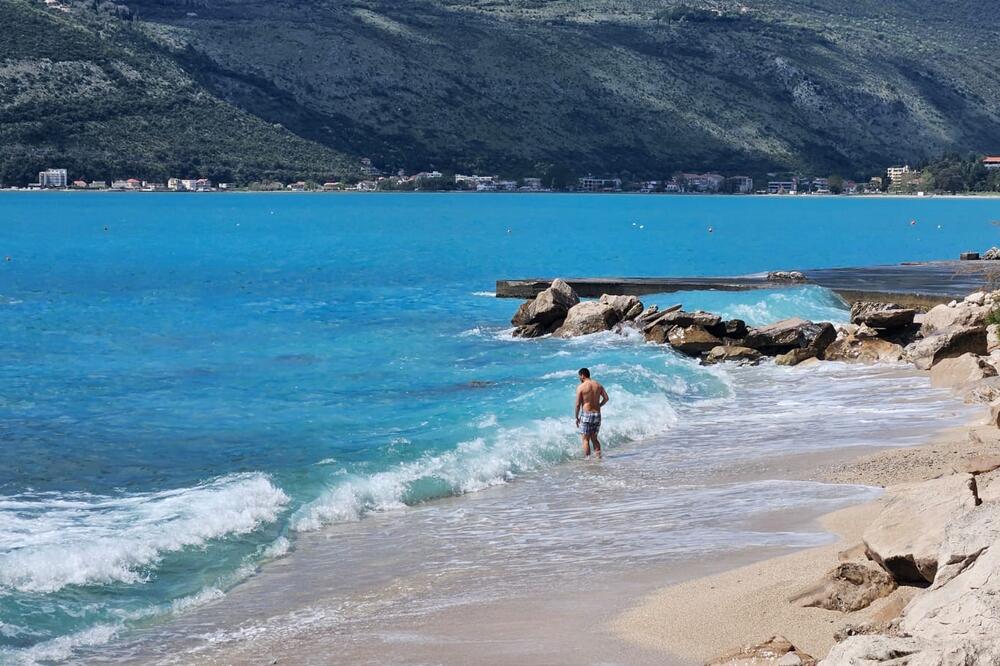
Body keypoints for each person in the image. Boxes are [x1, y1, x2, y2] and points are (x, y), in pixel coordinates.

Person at [574, 367, 609, 458]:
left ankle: (588, 461)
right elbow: (606, 398)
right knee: (594, 438)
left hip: (587, 415)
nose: (579, 378)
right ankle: (598, 458)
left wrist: (576, 417)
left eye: (579, 376)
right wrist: (599, 405)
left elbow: (578, 404)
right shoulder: (598, 385)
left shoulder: (581, 387)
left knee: (585, 440)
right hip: (597, 414)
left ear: (582, 375)